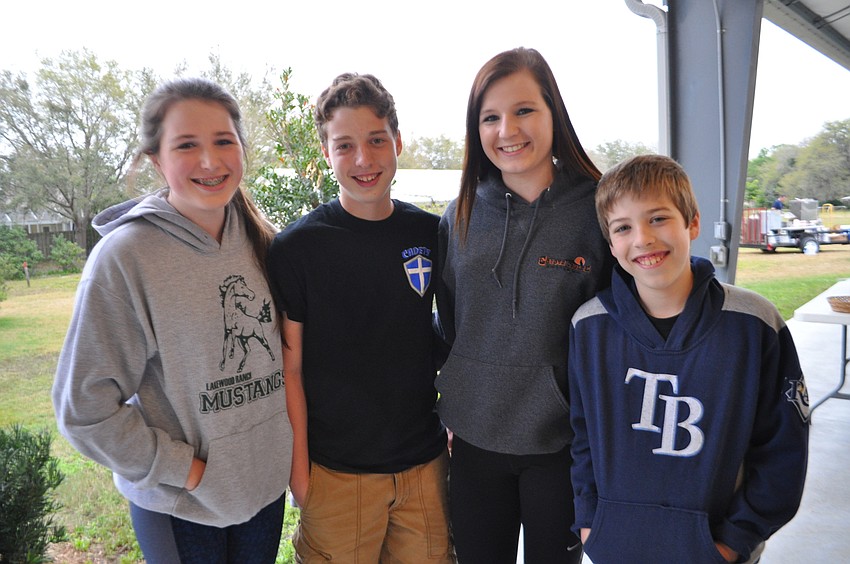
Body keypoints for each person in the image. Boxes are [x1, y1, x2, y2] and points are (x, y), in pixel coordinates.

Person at [52, 77, 293, 564]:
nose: (210, 160)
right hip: (183, 506)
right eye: (187, 145)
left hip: (264, 495)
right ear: (156, 160)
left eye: (224, 141)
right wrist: (187, 470)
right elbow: (84, 409)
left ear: (242, 149)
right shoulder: (125, 258)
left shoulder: (262, 238)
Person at [568, 154, 810, 564]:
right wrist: (593, 524)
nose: (642, 238)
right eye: (623, 227)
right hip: (617, 548)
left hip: (714, 550)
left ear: (692, 223)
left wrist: (734, 541)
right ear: (611, 244)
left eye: (658, 218)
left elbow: (783, 450)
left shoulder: (754, 324)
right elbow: (583, 438)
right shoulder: (589, 326)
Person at [434, 47, 614, 563]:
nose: (507, 129)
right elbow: (451, 324)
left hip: (560, 448)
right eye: (490, 117)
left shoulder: (597, 210)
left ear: (553, 112)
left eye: (524, 110)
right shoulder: (460, 214)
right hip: (472, 442)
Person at [265, 72, 455, 563]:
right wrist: (301, 475)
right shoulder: (298, 248)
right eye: (344, 145)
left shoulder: (431, 233)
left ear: (397, 141)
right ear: (326, 154)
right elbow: (290, 367)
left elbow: (447, 335)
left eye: (375, 140)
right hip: (337, 474)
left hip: (424, 472)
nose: (363, 160)